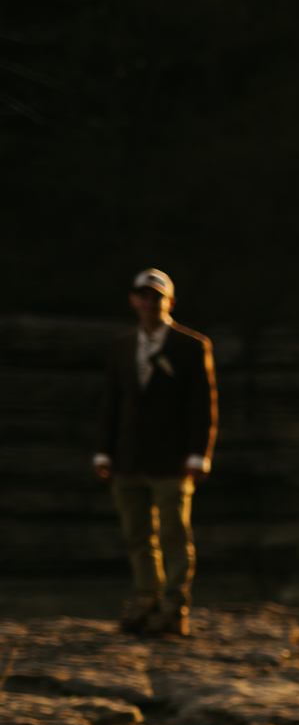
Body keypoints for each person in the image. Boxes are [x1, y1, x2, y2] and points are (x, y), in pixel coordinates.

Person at [94, 269, 218, 637]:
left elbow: (203, 405)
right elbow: (112, 402)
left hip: (173, 461)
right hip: (127, 458)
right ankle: (145, 600)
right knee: (138, 534)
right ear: (134, 300)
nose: (150, 303)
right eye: (143, 296)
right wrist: (104, 452)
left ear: (170, 302)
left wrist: (199, 455)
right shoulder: (122, 344)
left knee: (174, 535)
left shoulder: (192, 345)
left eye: (157, 297)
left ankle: (174, 607)